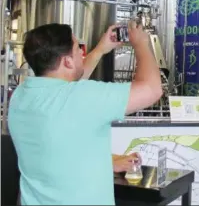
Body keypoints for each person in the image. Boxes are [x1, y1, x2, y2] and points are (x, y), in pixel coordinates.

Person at [8, 23, 162, 205]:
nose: (82, 54)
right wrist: (141, 43)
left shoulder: (20, 96)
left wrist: (100, 50)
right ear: (67, 61)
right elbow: (152, 89)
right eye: (77, 49)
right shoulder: (83, 96)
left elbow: (68, 86)